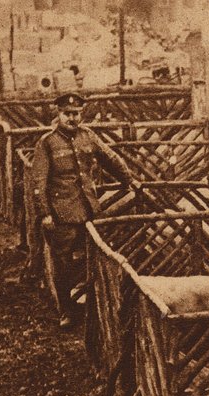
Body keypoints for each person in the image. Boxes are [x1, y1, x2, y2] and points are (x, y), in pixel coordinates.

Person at [30, 92, 140, 328]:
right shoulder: (47, 142)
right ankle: (66, 311)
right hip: (62, 214)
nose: (72, 118)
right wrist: (45, 214)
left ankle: (94, 307)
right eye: (67, 114)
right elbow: (38, 182)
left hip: (89, 210)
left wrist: (129, 180)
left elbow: (110, 158)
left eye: (76, 114)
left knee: (96, 259)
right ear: (58, 115)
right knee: (64, 265)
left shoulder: (88, 136)